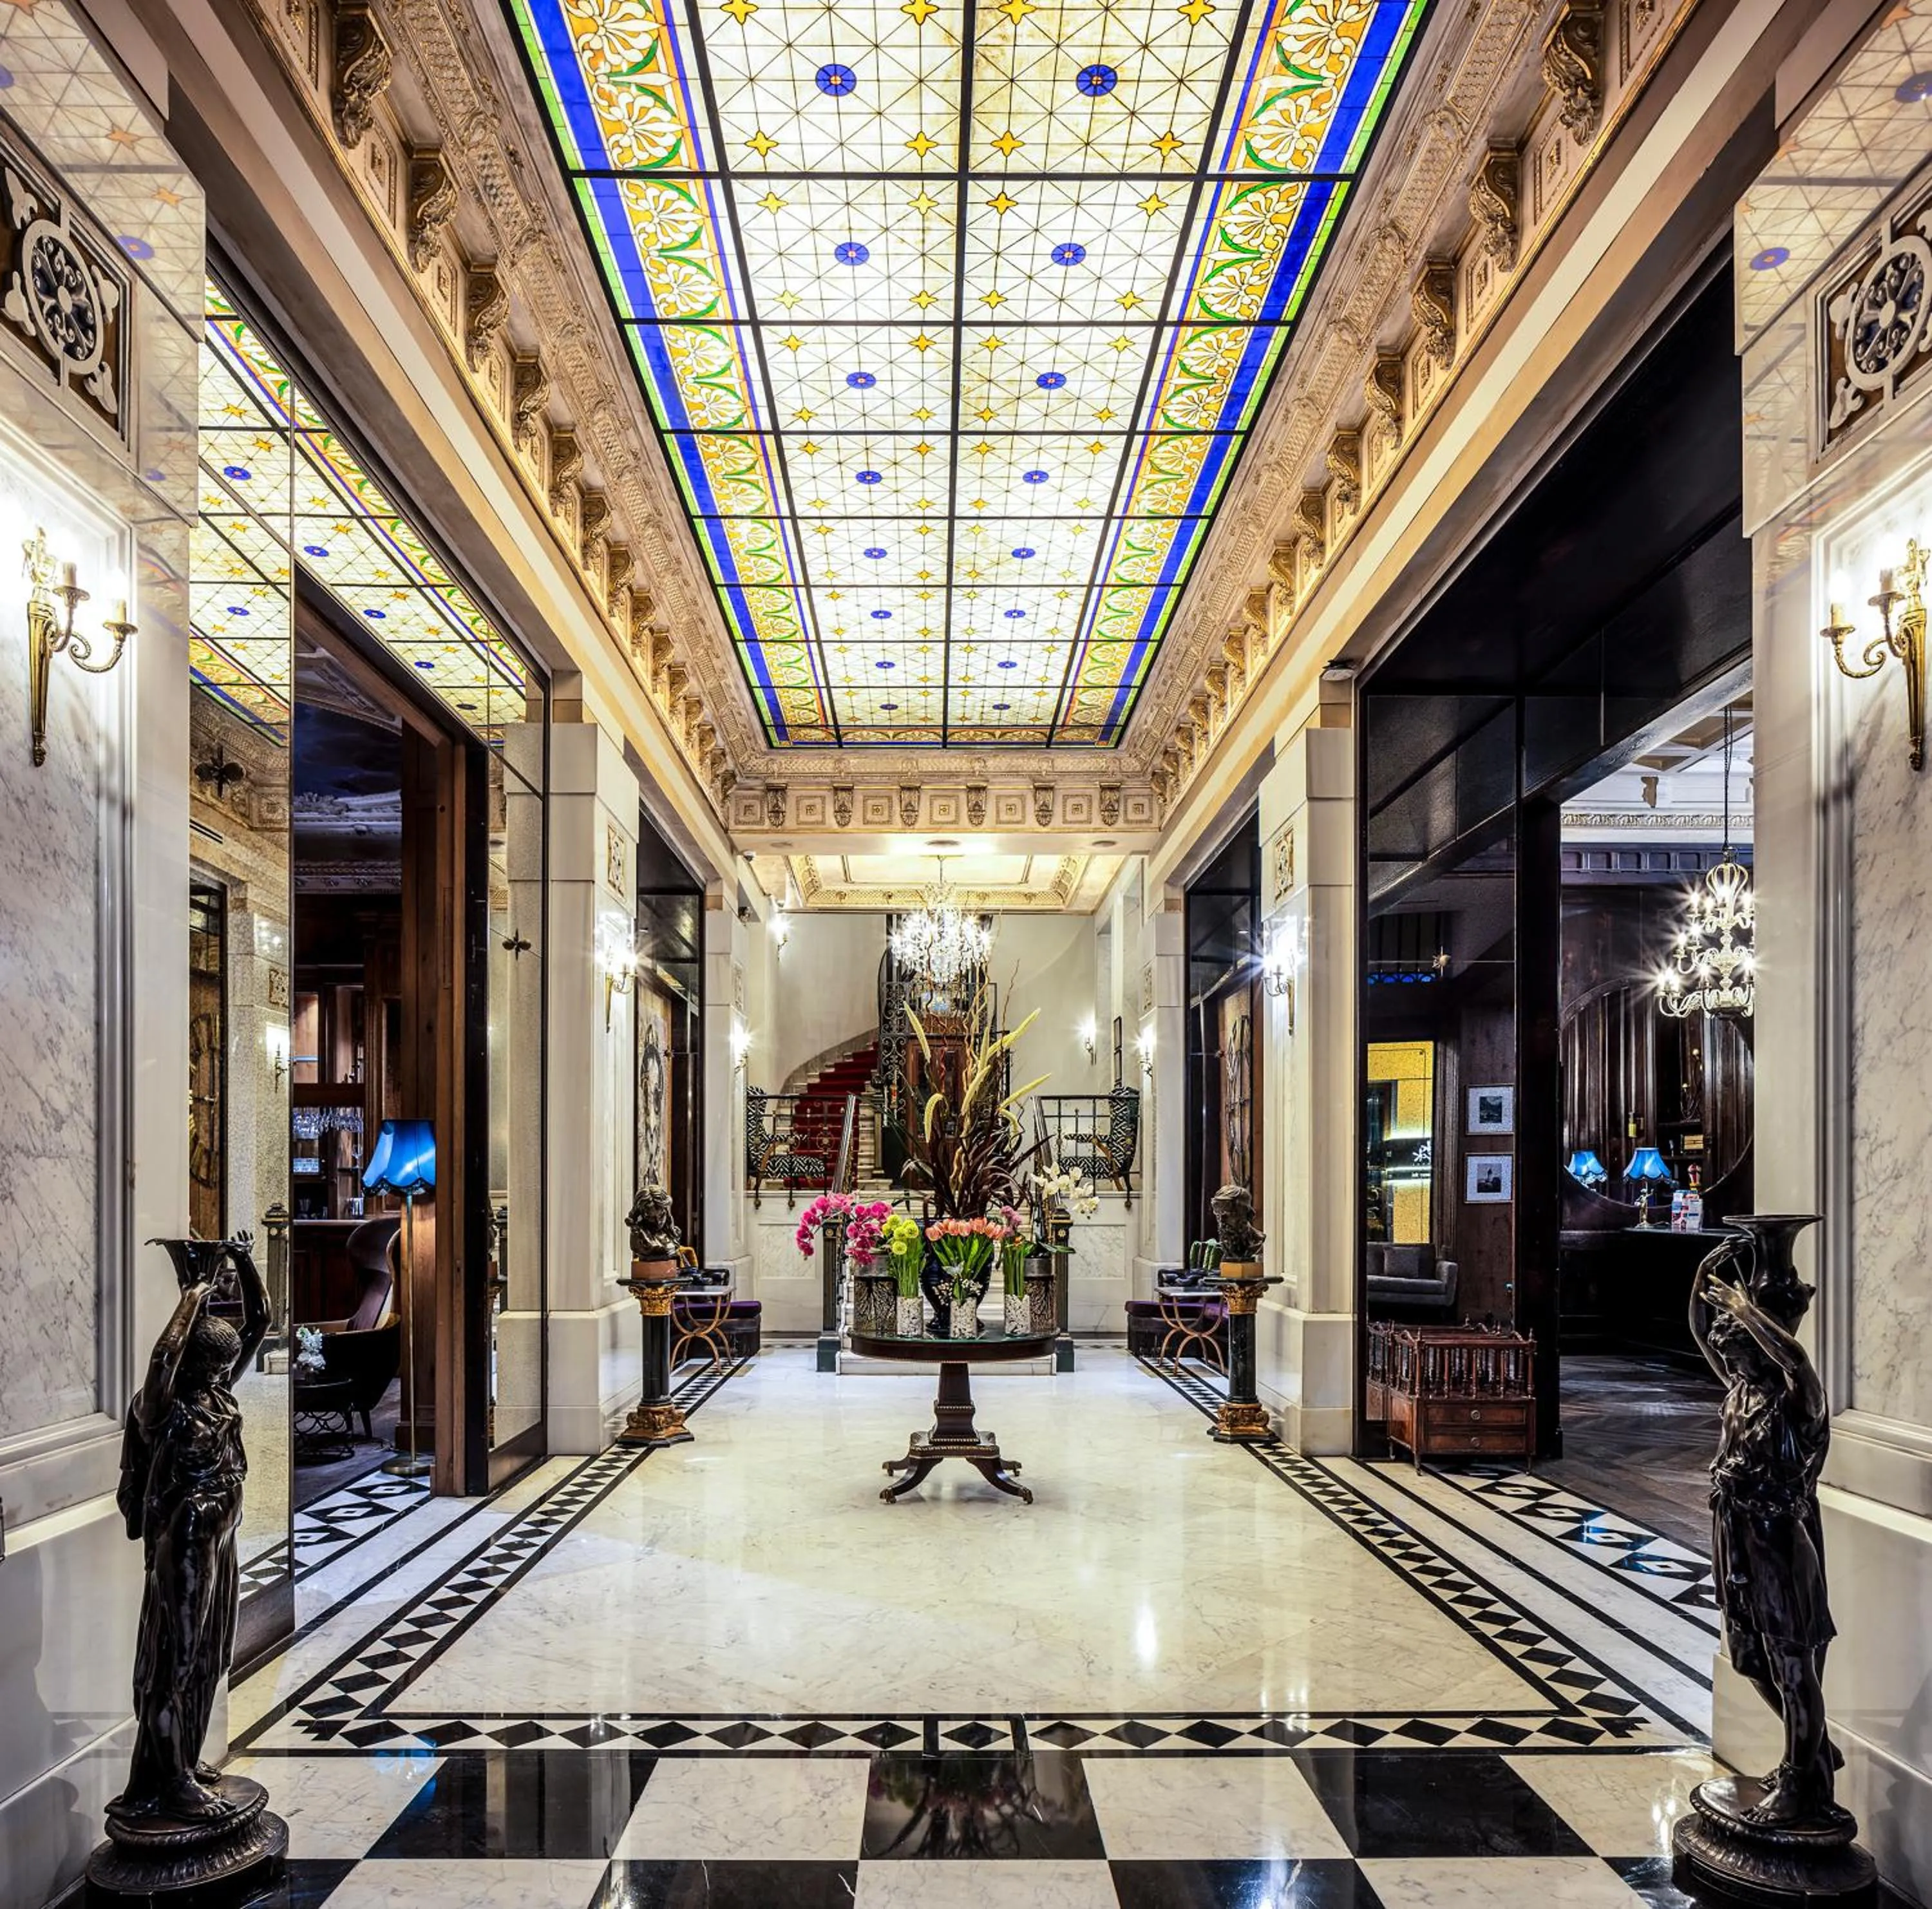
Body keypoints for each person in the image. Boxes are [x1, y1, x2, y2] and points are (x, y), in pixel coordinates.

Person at [112, 1238, 270, 1825]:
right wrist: (194, 1295)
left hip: (221, 1530)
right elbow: (161, 1360)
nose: (227, 1372)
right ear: (197, 1365)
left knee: (210, 1649)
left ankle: (188, 1756)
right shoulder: (164, 1408)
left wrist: (244, 1262)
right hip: (189, 1534)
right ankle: (169, 1780)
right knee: (174, 1659)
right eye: (217, 1365)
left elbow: (261, 1322)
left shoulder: (219, 1396)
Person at [1689, 1239, 1839, 1828]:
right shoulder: (1741, 1389)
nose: (1723, 1332)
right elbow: (1702, 1336)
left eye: (1734, 1326)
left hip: (1778, 1538)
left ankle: (1803, 1781)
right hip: (1735, 1527)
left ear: (1758, 1337)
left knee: (1791, 1660)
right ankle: (1816, 1750)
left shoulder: (1797, 1401)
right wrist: (1703, 1279)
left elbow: (1798, 1361)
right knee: (1749, 1656)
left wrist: (1748, 1308)